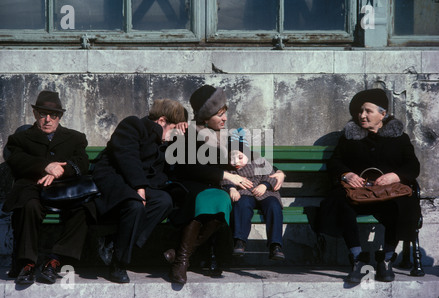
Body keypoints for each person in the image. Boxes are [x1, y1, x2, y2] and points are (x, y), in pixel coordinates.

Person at [164, 85, 286, 284]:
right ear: (205, 117)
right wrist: (229, 176)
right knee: (205, 201)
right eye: (219, 115)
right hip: (190, 186)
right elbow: (189, 169)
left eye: (224, 113)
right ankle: (182, 261)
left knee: (221, 202)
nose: (225, 118)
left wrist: (279, 172)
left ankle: (179, 254)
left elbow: (253, 158)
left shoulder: (225, 137)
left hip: (216, 188)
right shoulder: (190, 133)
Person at [317, 88, 421, 283]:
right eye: (359, 111)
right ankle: (357, 259)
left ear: (383, 114)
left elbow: (413, 166)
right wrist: (347, 174)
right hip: (358, 193)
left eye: (368, 111)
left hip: (388, 193)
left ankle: (387, 259)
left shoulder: (399, 138)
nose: (362, 115)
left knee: (403, 205)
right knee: (340, 201)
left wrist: (396, 176)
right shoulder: (349, 137)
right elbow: (335, 162)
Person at [92, 98, 187, 283]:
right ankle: (119, 264)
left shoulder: (163, 142)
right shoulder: (134, 124)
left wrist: (182, 140)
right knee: (135, 205)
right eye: (172, 128)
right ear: (161, 121)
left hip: (138, 185)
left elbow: (169, 169)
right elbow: (127, 158)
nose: (173, 134)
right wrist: (139, 188)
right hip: (115, 179)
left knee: (164, 201)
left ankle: (115, 244)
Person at [3, 90, 92, 285]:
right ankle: (27, 264)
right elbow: (15, 159)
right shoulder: (20, 138)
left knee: (85, 208)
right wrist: (44, 165)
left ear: (60, 117)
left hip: (64, 190)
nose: (48, 120)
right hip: (32, 188)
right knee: (28, 206)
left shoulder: (75, 138)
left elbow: (82, 163)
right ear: (35, 115)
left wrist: (60, 170)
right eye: (43, 114)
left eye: (53, 115)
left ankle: (54, 261)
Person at [221, 129, 285, 260]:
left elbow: (272, 175)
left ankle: (275, 244)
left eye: (239, 157)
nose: (236, 162)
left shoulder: (259, 161)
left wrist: (265, 185)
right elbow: (225, 179)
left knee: (274, 206)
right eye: (231, 158)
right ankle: (239, 240)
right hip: (244, 193)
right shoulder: (229, 168)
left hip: (265, 192)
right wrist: (232, 188)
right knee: (241, 204)